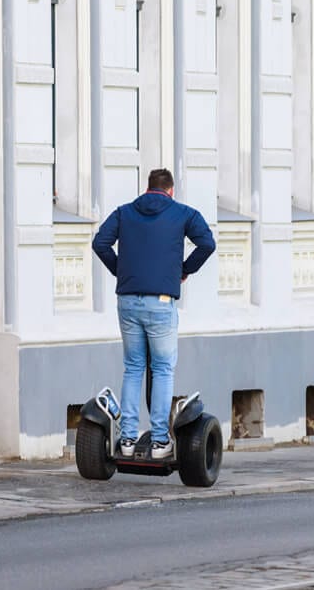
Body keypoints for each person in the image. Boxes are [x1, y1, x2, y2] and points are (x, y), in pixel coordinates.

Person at [93, 169, 215, 459]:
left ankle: (127, 440)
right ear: (171, 190)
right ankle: (160, 442)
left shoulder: (124, 212)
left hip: (127, 301)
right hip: (161, 302)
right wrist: (183, 270)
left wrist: (121, 270)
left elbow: (100, 244)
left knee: (133, 367)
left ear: (147, 188)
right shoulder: (184, 213)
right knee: (162, 369)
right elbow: (207, 244)